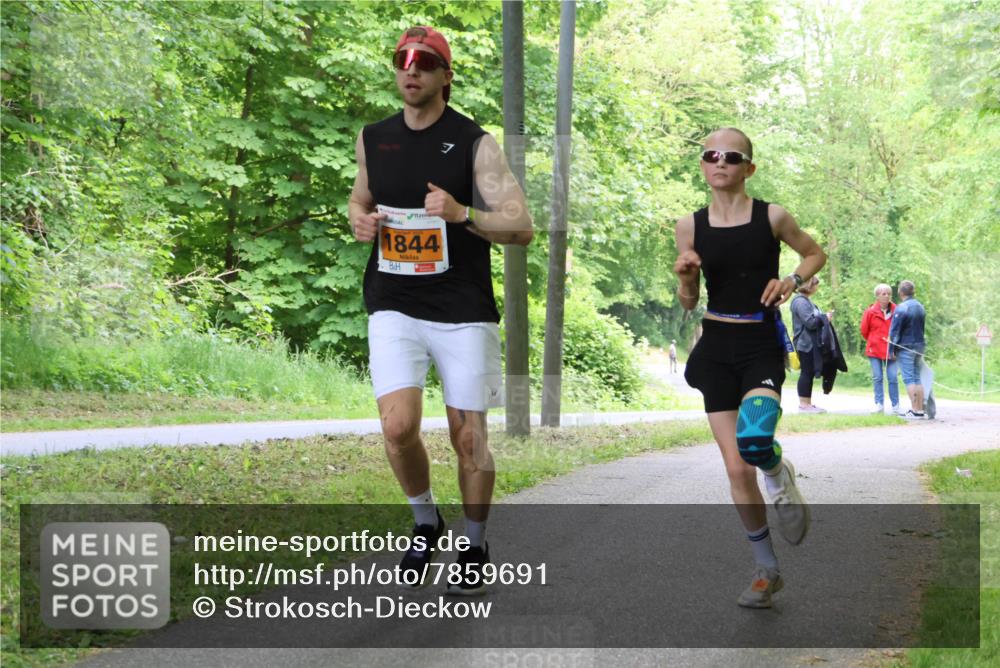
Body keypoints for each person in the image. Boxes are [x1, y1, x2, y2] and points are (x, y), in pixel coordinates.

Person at [348, 26, 533, 595]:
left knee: (468, 436)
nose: (412, 70)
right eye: (403, 61)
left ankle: (474, 542)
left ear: (445, 75)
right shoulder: (373, 139)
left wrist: (460, 213)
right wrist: (358, 219)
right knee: (397, 426)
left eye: (425, 62)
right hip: (394, 302)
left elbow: (520, 226)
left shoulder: (476, 143)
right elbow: (359, 199)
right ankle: (425, 521)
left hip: (462, 308)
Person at [675, 127, 826, 608]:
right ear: (702, 166)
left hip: (759, 342)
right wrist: (685, 279)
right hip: (716, 345)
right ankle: (767, 570)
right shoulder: (689, 226)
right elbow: (689, 301)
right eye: (711, 155)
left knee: (756, 441)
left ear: (748, 168)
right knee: (736, 468)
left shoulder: (773, 216)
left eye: (731, 157)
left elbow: (814, 253)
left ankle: (779, 471)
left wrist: (791, 280)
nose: (720, 162)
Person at [790, 277, 832, 413]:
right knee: (806, 372)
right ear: (809, 285)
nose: (817, 288)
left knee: (809, 372)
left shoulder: (806, 301)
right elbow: (810, 323)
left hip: (810, 343)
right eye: (815, 285)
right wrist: (825, 318)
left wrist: (823, 317)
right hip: (805, 343)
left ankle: (808, 403)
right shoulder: (800, 302)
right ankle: (803, 405)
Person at [887, 280, 927, 419]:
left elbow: (895, 331)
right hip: (919, 346)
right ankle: (920, 410)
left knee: (909, 378)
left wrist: (891, 349)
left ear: (900, 292)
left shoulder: (902, 308)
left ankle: (914, 410)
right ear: (913, 291)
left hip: (906, 347)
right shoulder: (920, 306)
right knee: (917, 377)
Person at [860, 283, 899, 414]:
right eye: (883, 294)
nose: (887, 296)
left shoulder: (897, 310)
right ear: (877, 296)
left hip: (891, 350)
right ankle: (879, 404)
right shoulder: (870, 312)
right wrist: (874, 340)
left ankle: (896, 405)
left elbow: (900, 329)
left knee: (892, 377)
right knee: (877, 377)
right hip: (874, 349)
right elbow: (864, 330)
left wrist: (894, 344)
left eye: (889, 293)